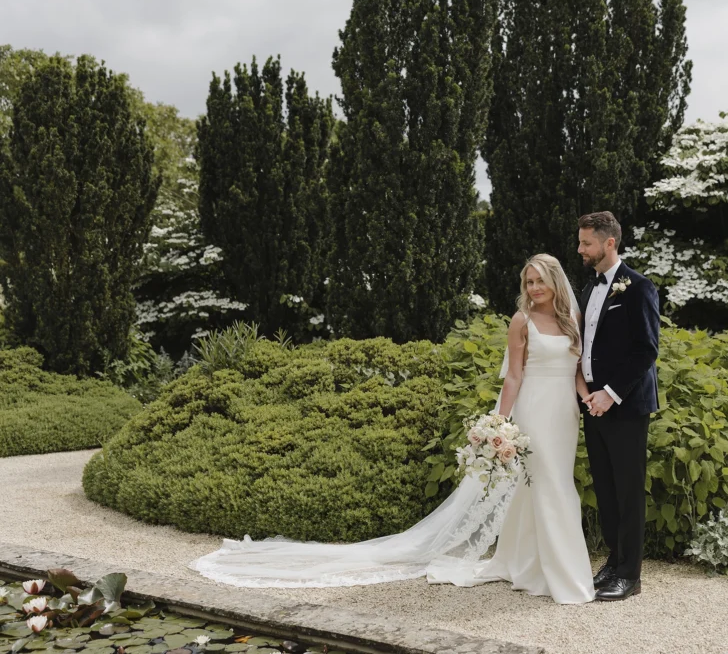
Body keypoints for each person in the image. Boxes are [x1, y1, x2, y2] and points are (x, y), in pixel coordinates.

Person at [191, 253, 597, 604]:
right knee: (549, 487)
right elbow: (513, 378)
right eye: (528, 281)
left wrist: (587, 398)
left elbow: (576, 369)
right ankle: (564, 578)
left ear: (554, 280)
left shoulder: (572, 317)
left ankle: (524, 564)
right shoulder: (520, 320)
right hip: (531, 410)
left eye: (540, 279)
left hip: (563, 413)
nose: (534, 286)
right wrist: (499, 423)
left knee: (546, 484)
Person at [577, 211, 660, 601]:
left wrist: (610, 393)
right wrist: (589, 395)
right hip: (592, 405)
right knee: (606, 489)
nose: (581, 249)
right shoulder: (589, 289)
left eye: (587, 243)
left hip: (624, 405)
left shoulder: (639, 287)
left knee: (627, 489)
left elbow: (646, 350)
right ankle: (614, 559)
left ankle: (631, 574)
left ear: (610, 243)